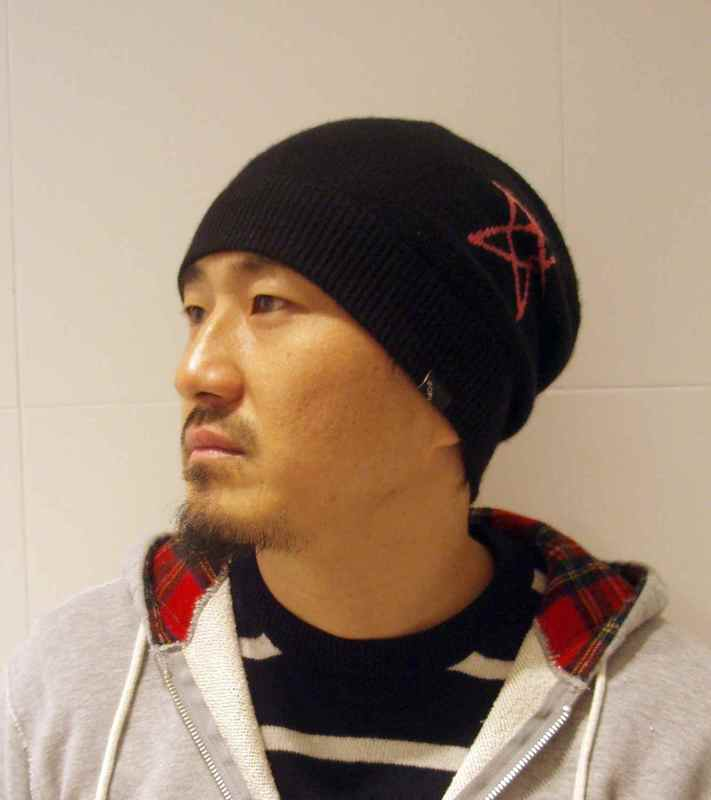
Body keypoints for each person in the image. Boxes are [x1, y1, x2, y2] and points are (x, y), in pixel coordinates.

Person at [1, 118, 709, 800]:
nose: (194, 372)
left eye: (267, 303)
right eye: (196, 311)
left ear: (444, 395)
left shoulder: (664, 735)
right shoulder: (72, 691)